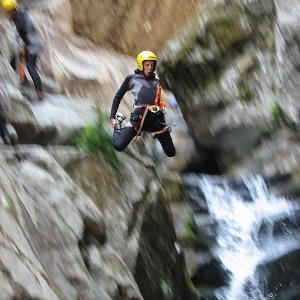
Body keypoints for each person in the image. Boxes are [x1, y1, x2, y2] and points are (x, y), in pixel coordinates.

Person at [110, 51, 176, 157]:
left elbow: (158, 103)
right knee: (118, 145)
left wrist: (163, 124)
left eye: (152, 65)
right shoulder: (132, 79)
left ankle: (157, 134)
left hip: (156, 121)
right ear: (141, 65)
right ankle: (118, 123)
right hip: (138, 119)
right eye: (147, 65)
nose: (150, 67)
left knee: (171, 153)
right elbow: (118, 96)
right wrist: (112, 117)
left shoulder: (157, 82)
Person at [1, 0, 44, 100]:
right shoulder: (19, 13)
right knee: (13, 62)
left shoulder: (18, 16)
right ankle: (24, 81)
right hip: (30, 43)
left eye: (7, 10)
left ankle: (40, 94)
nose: (7, 13)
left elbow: (24, 30)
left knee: (31, 67)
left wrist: (22, 45)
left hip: (33, 43)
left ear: (10, 9)